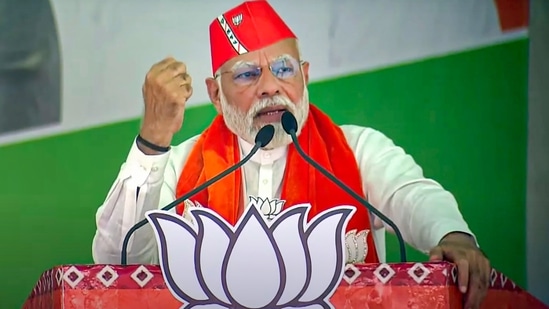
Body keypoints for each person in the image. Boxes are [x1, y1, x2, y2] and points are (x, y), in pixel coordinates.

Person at [92, 1, 490, 308]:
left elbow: (412, 194)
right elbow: (118, 259)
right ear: (215, 94)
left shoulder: (355, 149)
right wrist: (153, 139)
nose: (269, 86)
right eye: (247, 74)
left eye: (283, 69)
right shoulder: (182, 165)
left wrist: (452, 236)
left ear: (306, 75)